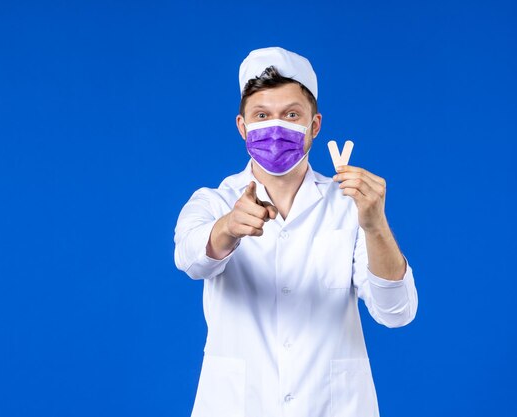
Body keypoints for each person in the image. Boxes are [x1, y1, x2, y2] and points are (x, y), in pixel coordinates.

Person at [174, 46, 418, 417]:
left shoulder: (348, 205)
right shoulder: (213, 201)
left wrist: (375, 225)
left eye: (291, 115)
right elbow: (190, 258)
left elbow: (396, 312)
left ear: (314, 125)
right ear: (242, 127)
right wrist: (227, 229)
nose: (275, 128)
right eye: (261, 115)